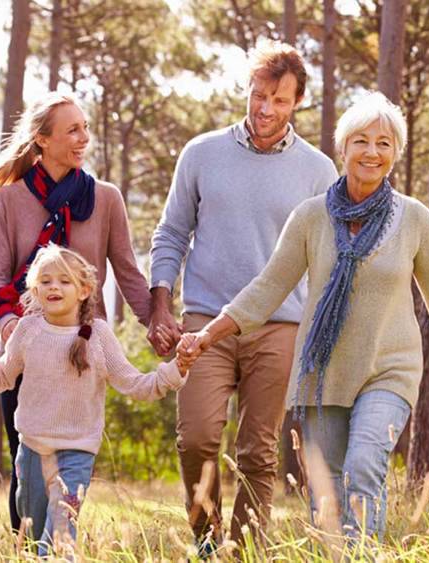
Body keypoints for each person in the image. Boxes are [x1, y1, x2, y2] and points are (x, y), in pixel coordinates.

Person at [177, 92, 429, 540]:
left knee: (364, 463)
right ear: (343, 148)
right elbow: (269, 287)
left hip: (389, 369)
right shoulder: (310, 218)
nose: (372, 152)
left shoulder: (414, 219)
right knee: (327, 493)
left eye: (384, 143)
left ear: (395, 154)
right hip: (324, 373)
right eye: (362, 141)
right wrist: (208, 334)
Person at [148, 40, 338, 550]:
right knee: (197, 438)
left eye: (278, 100)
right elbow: (171, 233)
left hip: (279, 325)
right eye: (258, 96)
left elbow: (327, 259)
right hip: (204, 322)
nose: (265, 109)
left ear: (297, 101)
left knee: (258, 452)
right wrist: (160, 303)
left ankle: (245, 550)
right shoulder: (202, 153)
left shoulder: (319, 171)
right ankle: (207, 543)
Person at [0, 92, 154, 535]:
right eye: (72, 129)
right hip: (27, 347)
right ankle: (26, 544)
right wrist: (11, 326)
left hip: (82, 347)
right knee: (25, 460)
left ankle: (59, 543)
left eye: (85, 128)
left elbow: (128, 271)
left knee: (73, 462)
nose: (83, 138)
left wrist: (156, 322)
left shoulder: (106, 199)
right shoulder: (9, 199)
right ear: (42, 139)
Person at [0, 244, 189, 555]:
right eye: (46, 281)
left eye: (64, 281)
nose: (54, 287)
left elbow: (136, 384)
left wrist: (177, 368)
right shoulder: (27, 330)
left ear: (84, 290)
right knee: (35, 535)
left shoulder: (99, 337)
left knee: (60, 536)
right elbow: (1, 376)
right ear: (35, 289)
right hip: (32, 452)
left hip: (76, 454)